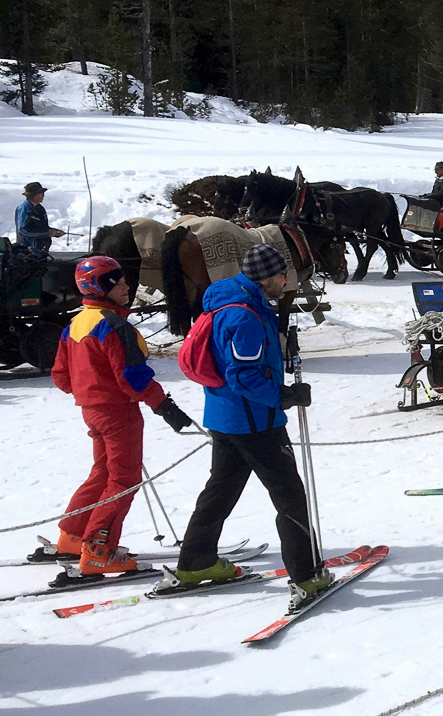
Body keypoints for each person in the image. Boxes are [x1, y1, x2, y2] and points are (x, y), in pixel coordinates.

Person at [170, 244, 332, 611]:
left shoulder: (234, 302)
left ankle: (197, 562)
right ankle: (307, 575)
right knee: (290, 496)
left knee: (220, 491)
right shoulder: (243, 315)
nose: (286, 281)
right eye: (281, 276)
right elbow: (242, 375)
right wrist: (282, 395)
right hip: (254, 422)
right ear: (266, 277)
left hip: (226, 417)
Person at [50, 255, 193, 579]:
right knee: (122, 479)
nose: (129, 287)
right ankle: (99, 550)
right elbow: (133, 377)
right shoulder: (114, 325)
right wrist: (164, 406)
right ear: (101, 288)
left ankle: (73, 535)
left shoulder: (74, 324)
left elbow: (60, 375)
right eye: (119, 283)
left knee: (102, 473)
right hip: (118, 412)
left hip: (93, 411)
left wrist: (90, 390)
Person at [15, 181, 67, 258]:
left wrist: (55, 232)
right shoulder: (24, 208)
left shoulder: (40, 208)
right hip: (27, 252)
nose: (43, 196)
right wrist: (47, 233)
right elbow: (23, 230)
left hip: (40, 252)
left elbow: (43, 227)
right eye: (41, 193)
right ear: (34, 195)